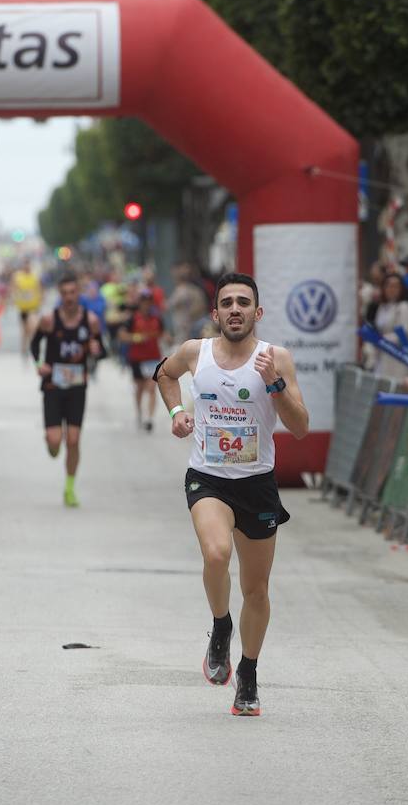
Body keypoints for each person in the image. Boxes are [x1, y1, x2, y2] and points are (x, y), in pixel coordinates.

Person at [155, 273, 310, 718]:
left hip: (257, 482)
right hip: (209, 478)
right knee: (217, 552)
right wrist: (178, 411)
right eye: (228, 303)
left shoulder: (275, 358)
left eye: (244, 302)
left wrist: (275, 384)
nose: (236, 309)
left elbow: (299, 427)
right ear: (216, 313)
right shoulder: (194, 352)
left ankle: (248, 672)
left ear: (257, 313)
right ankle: (221, 626)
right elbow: (163, 376)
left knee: (256, 589)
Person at [31, 271, 105, 507]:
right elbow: (35, 344)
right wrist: (39, 364)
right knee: (56, 440)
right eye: (65, 294)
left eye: (73, 293)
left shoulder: (90, 320)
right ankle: (52, 445)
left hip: (76, 387)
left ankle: (69, 488)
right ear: (60, 295)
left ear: (79, 294)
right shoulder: (49, 319)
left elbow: (102, 350)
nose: (69, 297)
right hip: (53, 385)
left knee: (73, 440)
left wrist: (96, 351)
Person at [120, 288, 167, 432]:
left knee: (152, 388)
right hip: (137, 359)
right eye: (144, 302)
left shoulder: (157, 318)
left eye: (148, 302)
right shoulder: (132, 318)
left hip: (153, 358)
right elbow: (122, 335)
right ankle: (139, 412)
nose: (146, 305)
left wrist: (167, 339)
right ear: (140, 303)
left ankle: (149, 418)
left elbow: (163, 333)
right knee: (140, 388)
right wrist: (136, 338)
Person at [364, 273, 408, 380]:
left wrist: (381, 339)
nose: (392, 289)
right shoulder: (382, 307)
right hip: (382, 355)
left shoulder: (404, 306)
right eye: (389, 286)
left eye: (396, 286)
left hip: (398, 355)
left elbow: (404, 333)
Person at [10, 261, 43, 353]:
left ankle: (33, 346)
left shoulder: (35, 276)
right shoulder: (17, 276)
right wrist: (13, 298)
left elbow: (40, 288)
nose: (26, 267)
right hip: (23, 307)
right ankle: (24, 349)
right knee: (24, 331)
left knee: (32, 327)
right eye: (25, 266)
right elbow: (13, 288)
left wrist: (41, 299)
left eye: (28, 266)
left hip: (33, 307)